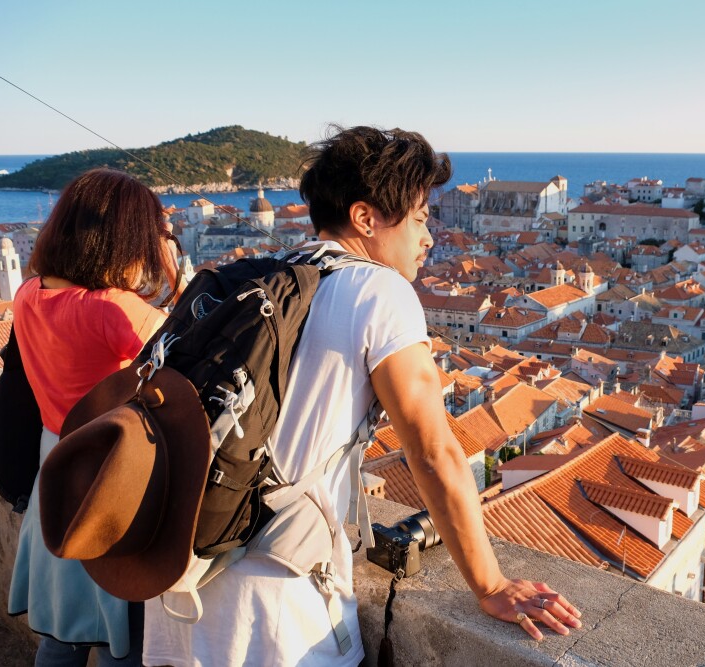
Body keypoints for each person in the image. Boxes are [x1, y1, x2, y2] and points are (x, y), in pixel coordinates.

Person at [142, 125, 582, 667]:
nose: (429, 237)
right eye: (420, 218)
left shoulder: (260, 277)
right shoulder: (380, 291)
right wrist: (490, 583)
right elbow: (432, 450)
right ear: (365, 218)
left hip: (180, 586)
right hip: (279, 610)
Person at [8, 168, 181, 665]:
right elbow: (190, 346)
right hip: (112, 474)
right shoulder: (114, 310)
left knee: (60, 635)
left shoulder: (29, 294)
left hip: (56, 461)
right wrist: (173, 264)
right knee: (118, 636)